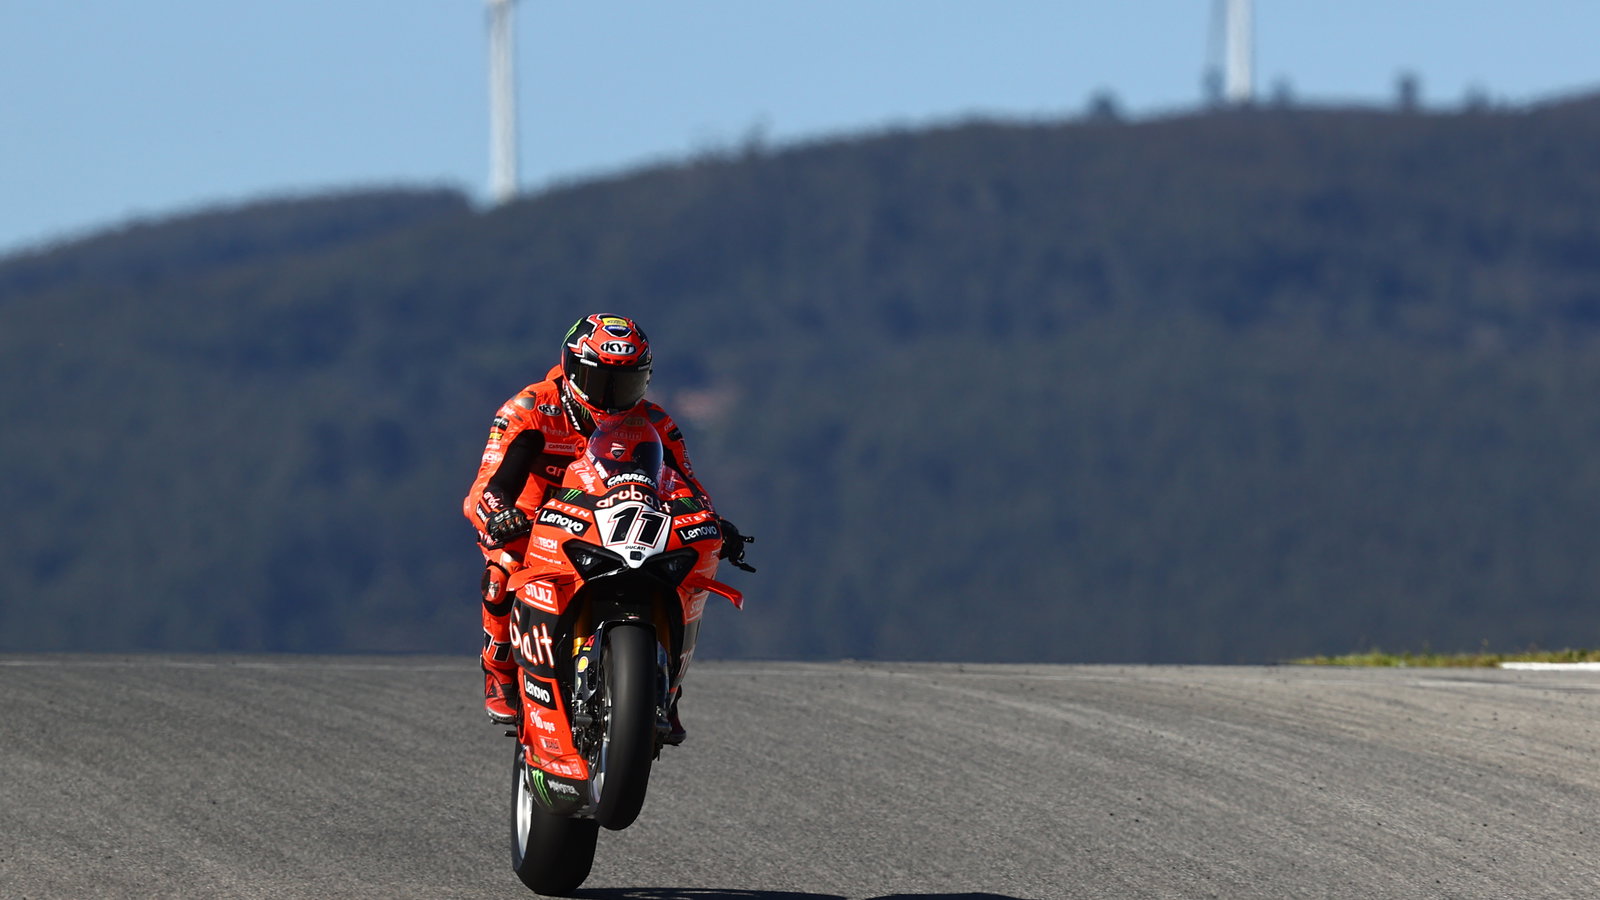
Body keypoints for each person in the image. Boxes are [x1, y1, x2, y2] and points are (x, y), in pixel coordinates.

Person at [463, 313, 753, 743]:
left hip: (619, 525)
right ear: (570, 367)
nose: (612, 395)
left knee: (680, 575)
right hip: (535, 524)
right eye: (599, 380)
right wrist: (499, 514)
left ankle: (664, 690)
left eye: (626, 383)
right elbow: (489, 484)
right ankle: (500, 671)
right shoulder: (530, 409)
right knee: (502, 571)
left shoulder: (656, 422)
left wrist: (715, 523)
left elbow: (688, 486)